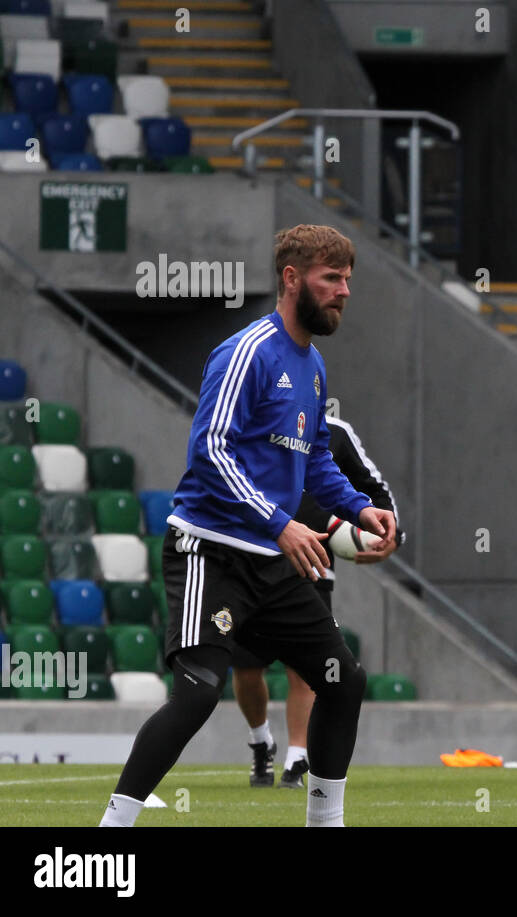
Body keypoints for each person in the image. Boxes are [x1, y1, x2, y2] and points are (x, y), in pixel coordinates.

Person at [98, 224, 397, 827]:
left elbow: (312, 458)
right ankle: (110, 834)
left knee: (343, 681)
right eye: (331, 278)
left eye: (347, 280)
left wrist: (359, 508)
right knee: (199, 691)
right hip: (211, 552)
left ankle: (324, 821)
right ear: (292, 279)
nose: (343, 292)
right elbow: (210, 449)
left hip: (274, 559)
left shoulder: (313, 367)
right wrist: (280, 521)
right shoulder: (246, 351)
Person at [235, 414, 405, 789]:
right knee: (247, 670)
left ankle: (298, 757)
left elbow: (373, 487)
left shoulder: (335, 431)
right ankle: (261, 740)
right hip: (250, 562)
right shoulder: (253, 419)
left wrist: (392, 533)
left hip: (311, 566)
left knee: (308, 669)